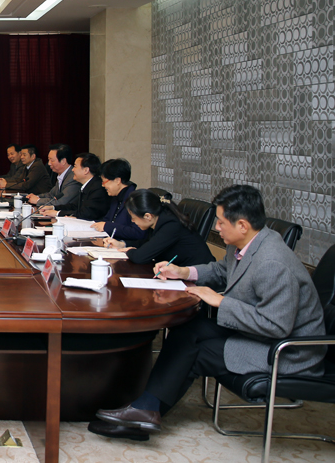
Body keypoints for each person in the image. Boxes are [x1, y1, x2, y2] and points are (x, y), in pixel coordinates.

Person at [89, 185, 327, 442]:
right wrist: (184, 272)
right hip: (261, 334)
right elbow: (222, 271)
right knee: (189, 329)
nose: (217, 228)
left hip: (287, 351)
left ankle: (143, 415)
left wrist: (221, 302)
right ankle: (144, 412)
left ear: (243, 225)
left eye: (221, 222)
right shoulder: (246, 243)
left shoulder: (273, 262)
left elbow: (276, 326)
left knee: (197, 351)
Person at [102, 189, 214, 266]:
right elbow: (149, 243)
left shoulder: (171, 225)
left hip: (197, 277)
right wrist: (122, 244)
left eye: (133, 218)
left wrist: (129, 251)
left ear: (148, 216)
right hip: (177, 272)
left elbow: (140, 257)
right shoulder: (160, 217)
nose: (132, 221)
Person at [39, 153, 109, 220]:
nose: (72, 169)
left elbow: (86, 214)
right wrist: (53, 208)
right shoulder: (89, 185)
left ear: (86, 170)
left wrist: (58, 213)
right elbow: (75, 206)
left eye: (75, 166)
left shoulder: (97, 188)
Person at [89, 159, 146, 241]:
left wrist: (107, 226)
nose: (102, 185)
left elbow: (138, 232)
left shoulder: (135, 200)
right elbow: (106, 220)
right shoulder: (116, 198)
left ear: (117, 180)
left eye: (104, 182)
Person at [28, 143, 79, 207]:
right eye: (48, 160)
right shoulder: (62, 175)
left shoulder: (73, 177)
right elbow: (51, 195)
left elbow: (62, 202)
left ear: (63, 161)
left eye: (52, 160)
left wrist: (38, 200)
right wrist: (36, 196)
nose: (49, 163)